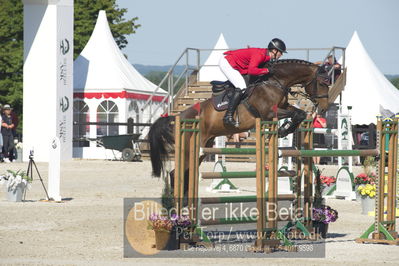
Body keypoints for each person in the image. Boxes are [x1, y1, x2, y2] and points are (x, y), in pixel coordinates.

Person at [218, 38, 287, 127]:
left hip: (238, 64)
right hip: (226, 62)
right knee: (241, 86)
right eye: (280, 52)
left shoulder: (267, 56)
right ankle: (228, 116)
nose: (281, 55)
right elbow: (252, 70)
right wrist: (266, 70)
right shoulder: (260, 54)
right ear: (274, 50)